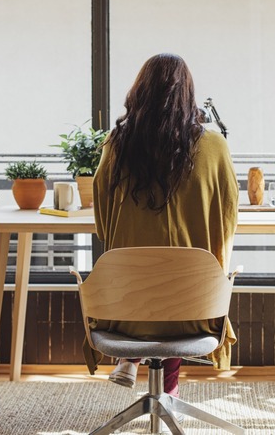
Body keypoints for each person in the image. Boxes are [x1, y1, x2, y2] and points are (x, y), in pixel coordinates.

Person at [83, 53, 239, 399]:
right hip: (196, 311)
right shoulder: (214, 146)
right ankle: (169, 393)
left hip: (123, 310)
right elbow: (227, 220)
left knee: (151, 279)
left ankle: (133, 359)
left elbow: (103, 226)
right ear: (189, 95)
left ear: (139, 92)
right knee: (183, 276)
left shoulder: (116, 145)